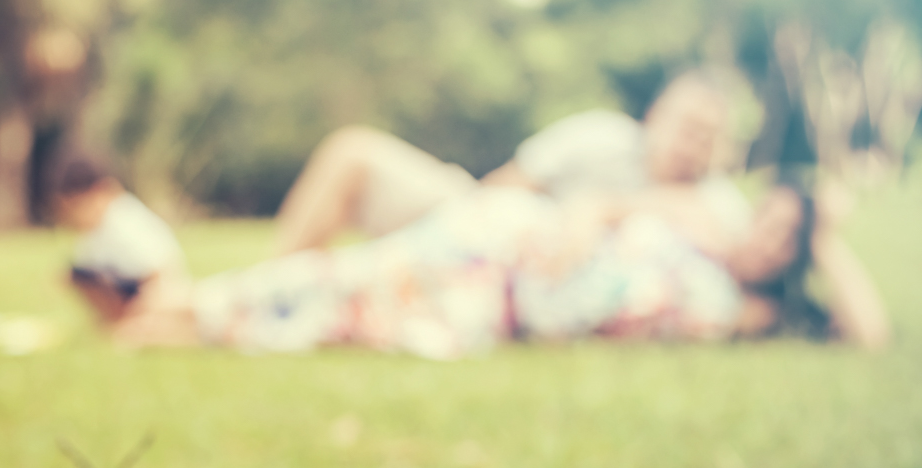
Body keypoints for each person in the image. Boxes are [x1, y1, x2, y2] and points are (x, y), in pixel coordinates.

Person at [114, 174, 889, 357]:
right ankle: (174, 304)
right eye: (772, 221)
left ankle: (174, 317)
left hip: (507, 307)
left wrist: (822, 232)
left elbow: (872, 336)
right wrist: (581, 226)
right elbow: (604, 202)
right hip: (509, 245)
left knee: (355, 315)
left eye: (788, 241)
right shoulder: (704, 218)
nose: (767, 241)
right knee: (349, 276)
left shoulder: (761, 313)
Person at [273, 71, 751, 258]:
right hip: (478, 217)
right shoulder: (600, 136)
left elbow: (748, 254)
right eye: (686, 126)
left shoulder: (714, 199)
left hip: (531, 277)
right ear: (653, 118)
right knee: (351, 152)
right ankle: (276, 285)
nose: (693, 144)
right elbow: (508, 183)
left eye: (708, 136)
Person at [56, 156, 191, 326]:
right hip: (128, 296)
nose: (72, 219)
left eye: (76, 207)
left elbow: (159, 275)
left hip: (161, 299)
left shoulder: (124, 221)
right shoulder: (93, 232)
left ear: (101, 191)